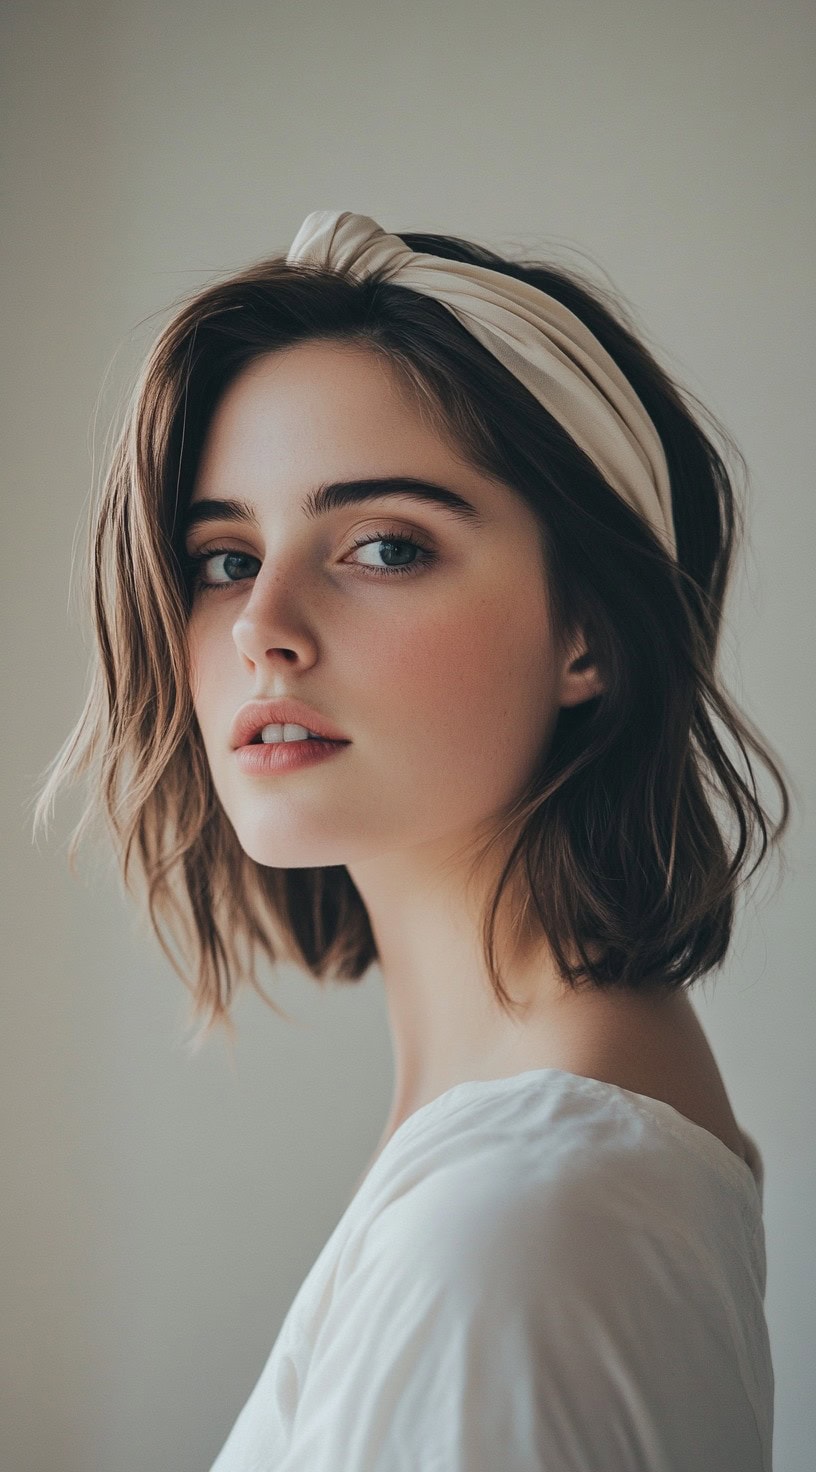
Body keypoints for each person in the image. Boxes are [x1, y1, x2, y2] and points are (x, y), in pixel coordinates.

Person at [33, 210, 791, 1470]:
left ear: (588, 633)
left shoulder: (523, 1227)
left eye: (384, 546)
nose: (260, 628)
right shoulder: (522, 1170)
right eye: (223, 556)